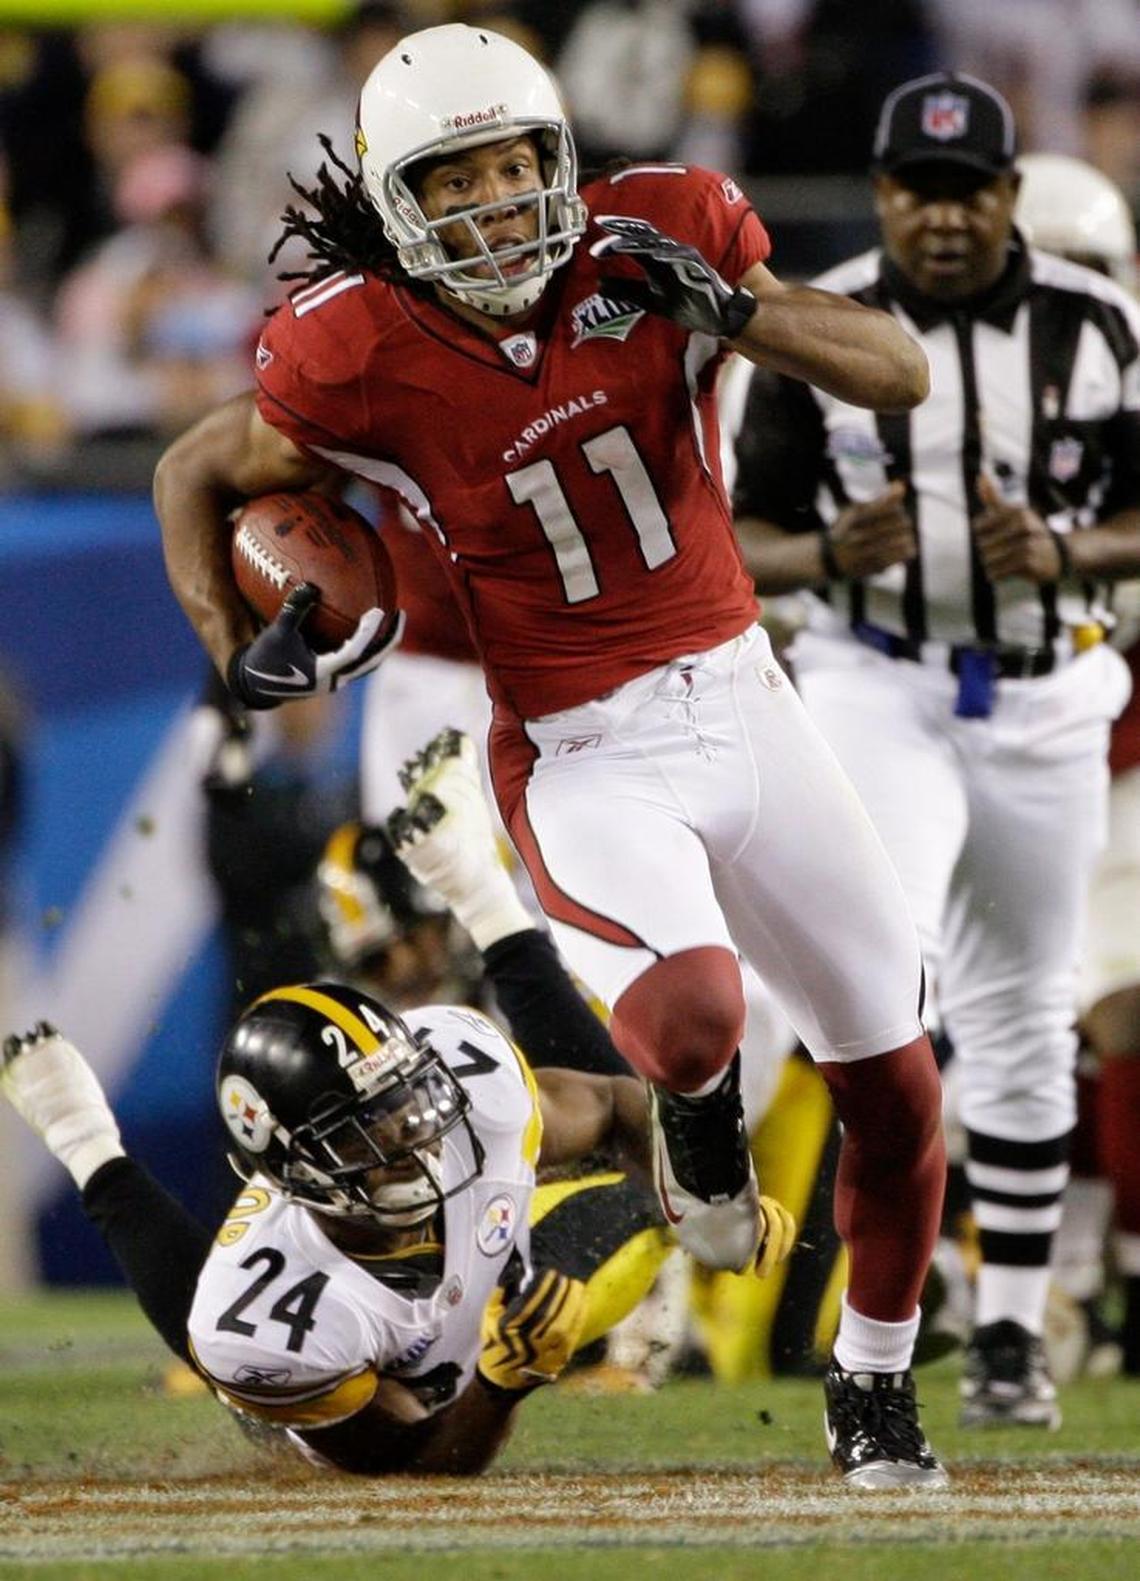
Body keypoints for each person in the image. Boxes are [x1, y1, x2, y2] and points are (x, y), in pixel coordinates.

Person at [153, 22, 948, 1486]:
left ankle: (872, 1382)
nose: (502, 203)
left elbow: (894, 370)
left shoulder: (665, 232)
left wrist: (731, 309)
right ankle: (693, 1132)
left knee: (900, 1094)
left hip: (744, 690)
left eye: (521, 166)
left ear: (562, 159)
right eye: (458, 181)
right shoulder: (354, 349)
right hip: (582, 745)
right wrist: (229, 641)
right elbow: (191, 468)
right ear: (402, 204)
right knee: (700, 1019)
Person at [3, 731, 797, 1475]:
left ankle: (487, 897)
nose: (410, 1129)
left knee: (640, 1191)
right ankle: (83, 1136)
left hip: (492, 1265)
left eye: (400, 1099)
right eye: (365, 1128)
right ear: (298, 1170)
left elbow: (621, 1104)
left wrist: (711, 1188)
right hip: (373, 1370)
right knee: (215, 1343)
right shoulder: (274, 1319)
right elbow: (402, 1463)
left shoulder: (454, 1068)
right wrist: (501, 1381)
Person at [733, 72, 1140, 1428]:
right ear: (883, 191)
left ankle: (1015, 1332)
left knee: (1027, 1008)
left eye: (972, 191)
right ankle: (880, 1319)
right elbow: (734, 535)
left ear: (1011, 195)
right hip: (874, 677)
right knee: (881, 974)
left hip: (1047, 686)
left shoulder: (1103, 327)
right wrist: (823, 555)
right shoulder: (819, 323)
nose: (947, 218)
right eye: (921, 188)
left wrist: (1071, 549)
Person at [1014, 151, 1140, 1379]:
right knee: (1027, 1033)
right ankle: (1058, 1282)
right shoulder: (950, 404)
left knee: (1116, 1010)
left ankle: (1104, 1280)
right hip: (1007, 753)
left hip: (1125, 754)